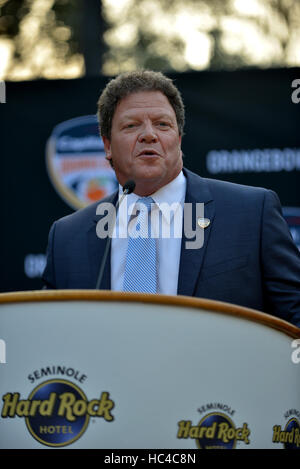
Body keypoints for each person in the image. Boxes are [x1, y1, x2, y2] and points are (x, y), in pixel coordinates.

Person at [42, 70, 300, 327]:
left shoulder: (251, 214)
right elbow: (54, 336)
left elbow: (294, 316)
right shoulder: (67, 238)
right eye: (131, 125)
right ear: (107, 145)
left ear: (178, 139)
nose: (149, 135)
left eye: (162, 124)